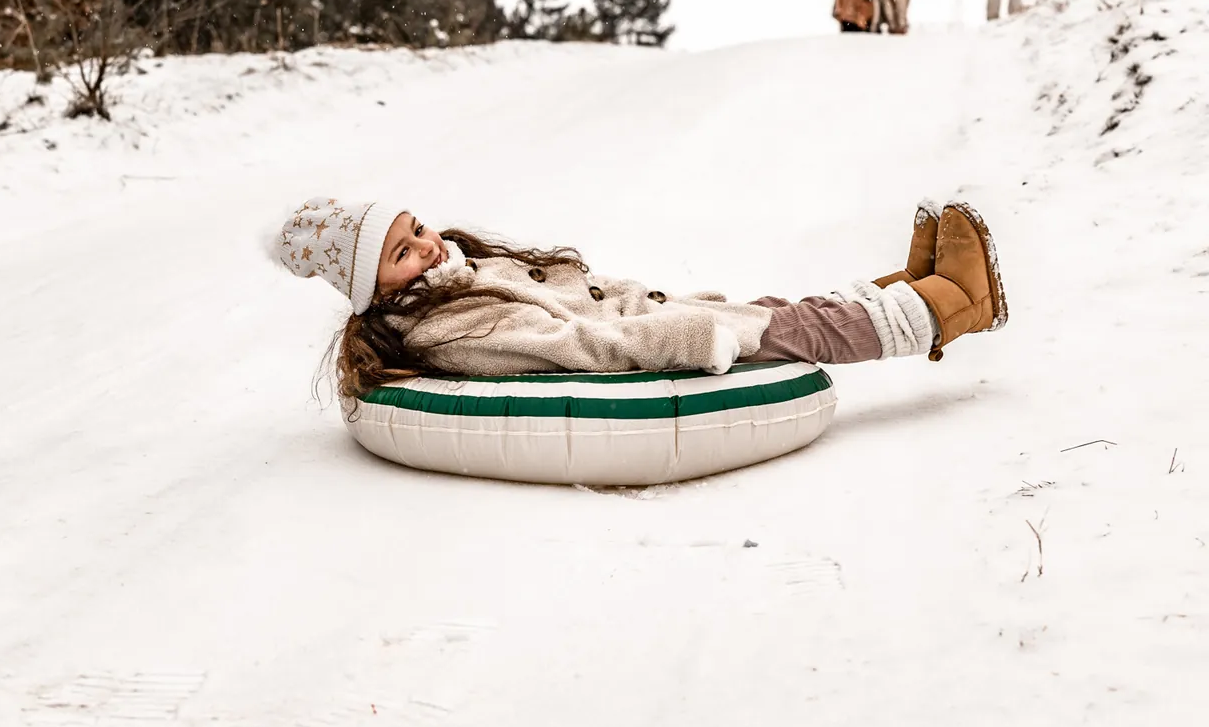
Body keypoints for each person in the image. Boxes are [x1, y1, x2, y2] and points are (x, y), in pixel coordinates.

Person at [273, 198, 1008, 397]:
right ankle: (956, 304)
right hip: (655, 343)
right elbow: (576, 349)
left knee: (779, 305)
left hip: (649, 315)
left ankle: (920, 296)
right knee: (797, 330)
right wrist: (687, 331)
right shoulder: (447, 329)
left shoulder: (461, 275)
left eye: (417, 229)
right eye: (403, 253)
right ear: (374, 289)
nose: (428, 246)